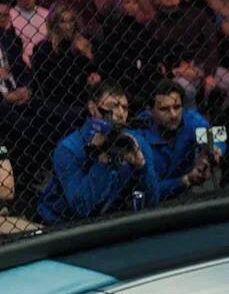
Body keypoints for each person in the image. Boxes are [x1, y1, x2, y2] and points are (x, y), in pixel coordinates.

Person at [37, 80, 160, 223]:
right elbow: (82, 207)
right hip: (64, 223)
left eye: (125, 108)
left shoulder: (135, 142)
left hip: (115, 221)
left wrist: (141, 167)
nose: (121, 113)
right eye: (113, 106)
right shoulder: (68, 148)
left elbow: (153, 201)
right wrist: (102, 161)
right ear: (93, 107)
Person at [136, 79, 226, 198]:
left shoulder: (189, 118)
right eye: (164, 109)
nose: (173, 115)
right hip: (149, 200)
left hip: (184, 195)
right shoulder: (139, 131)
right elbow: (149, 189)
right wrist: (185, 180)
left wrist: (213, 150)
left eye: (177, 107)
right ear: (150, 110)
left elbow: (215, 136)